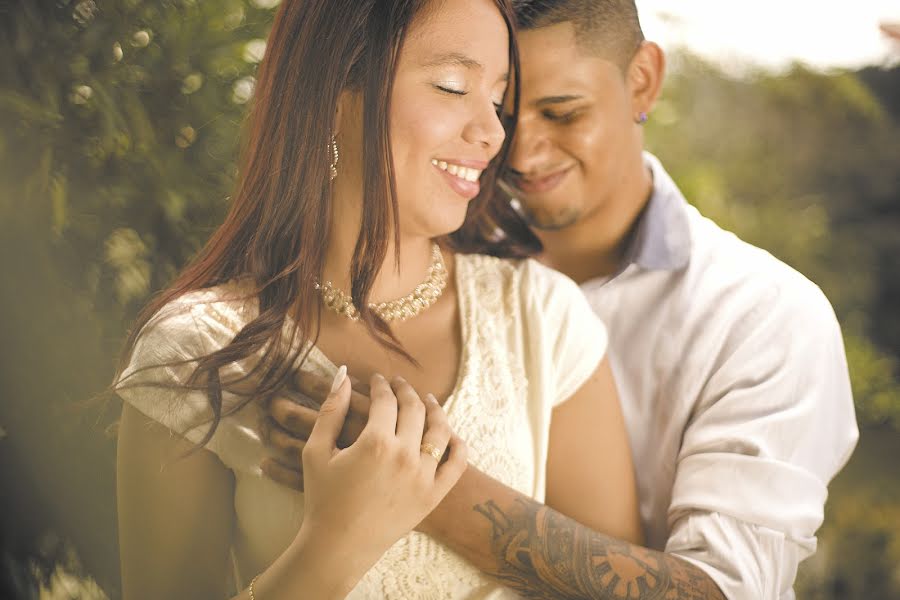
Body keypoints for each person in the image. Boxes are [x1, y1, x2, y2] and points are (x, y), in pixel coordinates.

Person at [265, 1, 859, 598]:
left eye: (563, 113)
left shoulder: (765, 317)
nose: (518, 155)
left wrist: (421, 486)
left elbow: (726, 592)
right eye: (502, 110)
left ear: (642, 81)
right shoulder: (435, 255)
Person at [114, 0, 641, 598]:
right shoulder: (192, 354)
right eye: (451, 86)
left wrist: (452, 503)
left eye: (496, 99)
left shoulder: (541, 318)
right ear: (335, 96)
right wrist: (337, 541)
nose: (494, 133)